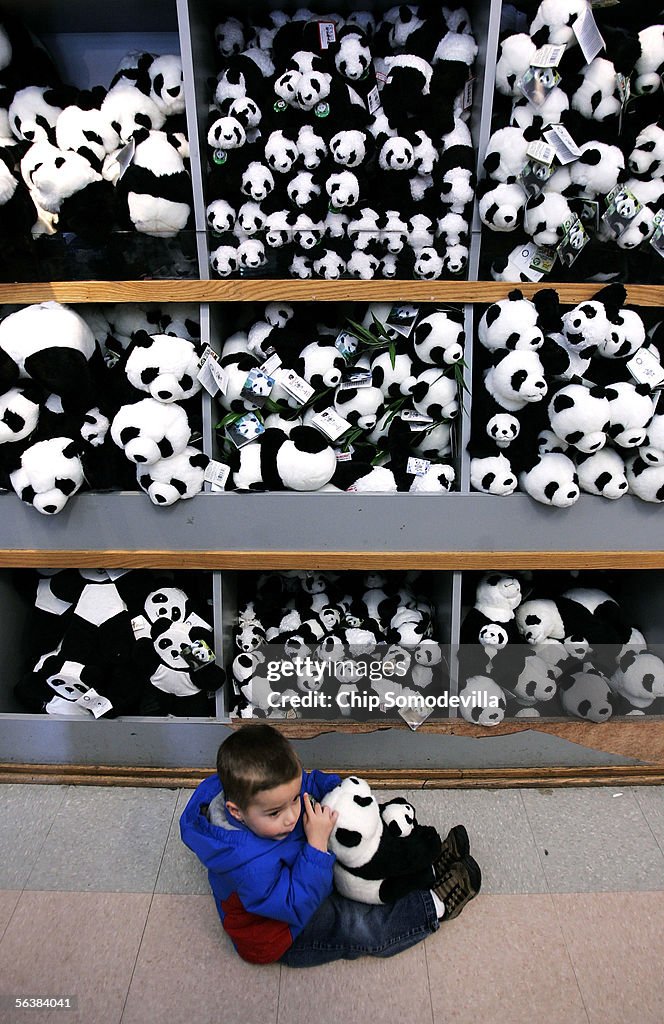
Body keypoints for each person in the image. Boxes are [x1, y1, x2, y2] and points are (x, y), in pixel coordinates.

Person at [180, 723, 481, 968]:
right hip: (281, 932)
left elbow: (309, 783)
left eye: (295, 799)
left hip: (304, 869)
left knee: (361, 855)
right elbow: (293, 905)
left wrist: (337, 793)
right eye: (275, 812)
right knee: (354, 923)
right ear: (236, 812)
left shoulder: (253, 789)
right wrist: (315, 846)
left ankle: (423, 867)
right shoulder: (248, 867)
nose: (292, 816)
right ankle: (431, 906)